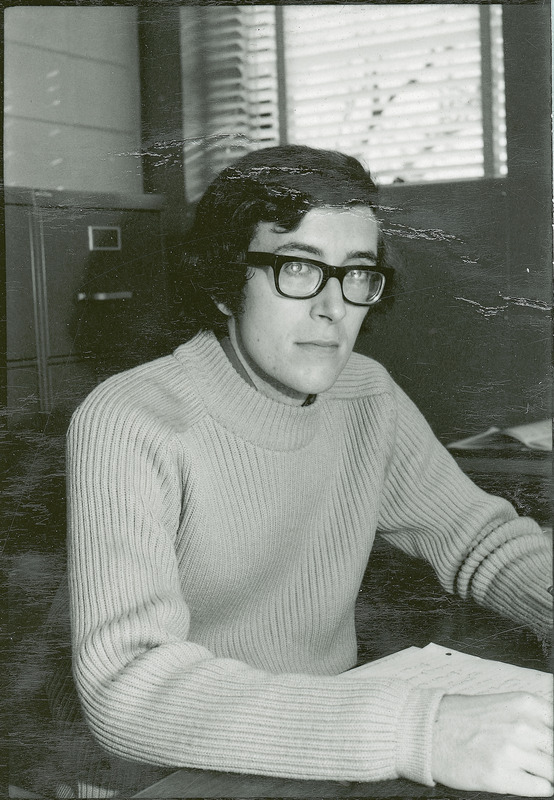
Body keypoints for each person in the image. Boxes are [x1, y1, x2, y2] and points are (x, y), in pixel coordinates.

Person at [46, 145, 552, 799]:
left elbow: (480, 540)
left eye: (356, 275)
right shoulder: (128, 419)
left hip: (330, 746)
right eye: (297, 269)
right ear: (227, 283)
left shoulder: (367, 394)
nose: (333, 309)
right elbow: (128, 687)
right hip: (164, 774)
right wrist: (420, 730)